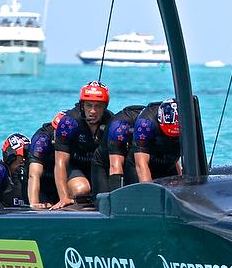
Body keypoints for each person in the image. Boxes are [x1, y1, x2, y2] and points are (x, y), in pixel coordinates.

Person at [52, 81, 114, 210]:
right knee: (81, 189)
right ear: (82, 105)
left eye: (98, 106)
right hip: (74, 166)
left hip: (98, 167)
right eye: (89, 105)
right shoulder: (69, 123)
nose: (93, 111)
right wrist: (63, 197)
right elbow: (60, 162)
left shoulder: (111, 121)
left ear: (105, 107)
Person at [91, 104, 144, 196]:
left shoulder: (154, 126)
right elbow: (115, 167)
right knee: (105, 203)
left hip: (131, 160)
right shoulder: (119, 128)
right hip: (106, 164)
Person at [126, 99, 182, 185]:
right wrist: (149, 193)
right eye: (168, 135)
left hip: (168, 163)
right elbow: (141, 164)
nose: (170, 138)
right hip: (143, 164)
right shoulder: (145, 123)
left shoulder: (189, 122)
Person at [27, 111, 66, 208]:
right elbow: (34, 174)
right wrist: (34, 203)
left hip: (63, 176)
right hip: (43, 180)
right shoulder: (42, 140)